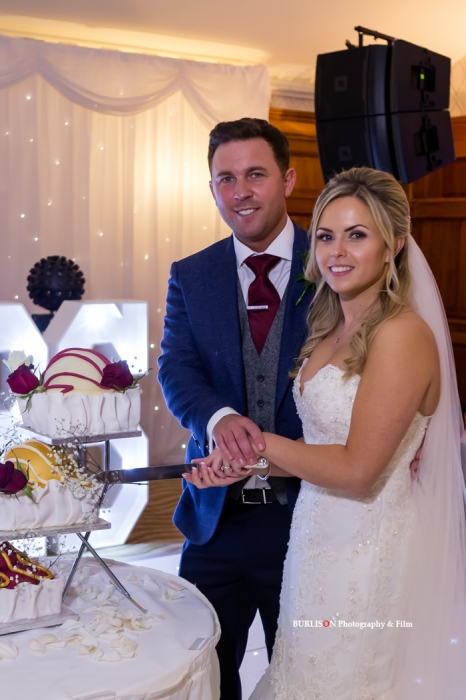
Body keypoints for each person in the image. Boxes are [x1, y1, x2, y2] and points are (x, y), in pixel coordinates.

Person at [187, 167, 466, 699]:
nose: (336, 252)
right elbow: (316, 450)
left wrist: (257, 442)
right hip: (314, 538)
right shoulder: (328, 328)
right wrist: (241, 463)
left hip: (368, 549)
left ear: (394, 244)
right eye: (325, 235)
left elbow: (359, 471)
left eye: (357, 235)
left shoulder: (402, 335)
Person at [158, 118, 313, 699]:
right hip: (215, 521)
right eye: (226, 178)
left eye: (255, 174)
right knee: (201, 675)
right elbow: (176, 368)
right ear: (213, 188)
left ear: (287, 180)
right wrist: (219, 419)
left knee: (302, 678)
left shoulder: (335, 265)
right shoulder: (190, 274)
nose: (240, 191)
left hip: (311, 518)